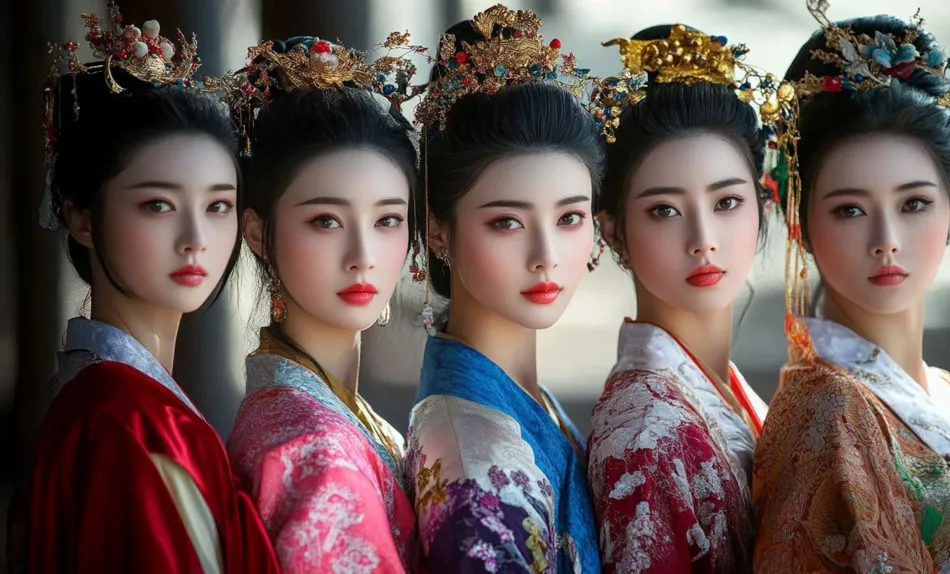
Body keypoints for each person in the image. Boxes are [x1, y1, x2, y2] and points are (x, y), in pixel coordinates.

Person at [753, 3, 950, 572]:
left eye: (914, 204)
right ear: (801, 223)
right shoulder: (828, 411)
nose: (886, 240)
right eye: (850, 210)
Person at [18, 5, 279, 572]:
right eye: (158, 205)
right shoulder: (123, 420)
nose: (195, 240)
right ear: (82, 218)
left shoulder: (112, 402)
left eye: (218, 206)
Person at [402, 5, 604, 573]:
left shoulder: (517, 402)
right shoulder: (476, 459)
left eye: (569, 218)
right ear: (437, 228)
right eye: (507, 222)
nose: (546, 255)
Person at [218, 35, 425, 572]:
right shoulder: (313, 449)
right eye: (326, 221)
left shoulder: (320, 416)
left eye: (387, 220)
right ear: (258, 234)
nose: (363, 257)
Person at [586, 24, 772, 573]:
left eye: (727, 202)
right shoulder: (643, 437)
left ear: (762, 203)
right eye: (664, 210)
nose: (703, 239)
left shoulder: (724, 395)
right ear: (612, 230)